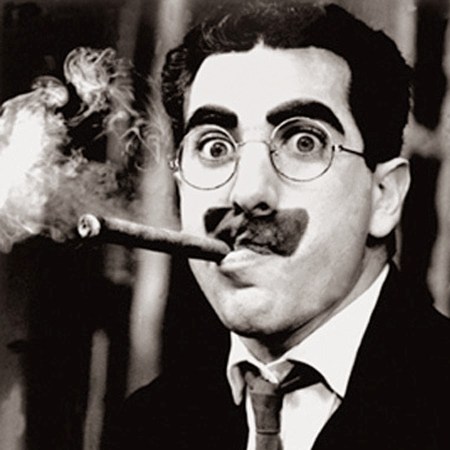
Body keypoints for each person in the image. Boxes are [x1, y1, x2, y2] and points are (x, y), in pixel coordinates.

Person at [105, 1, 450, 449]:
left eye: (303, 142)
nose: (248, 193)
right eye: (214, 147)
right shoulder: (147, 426)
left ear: (384, 197)